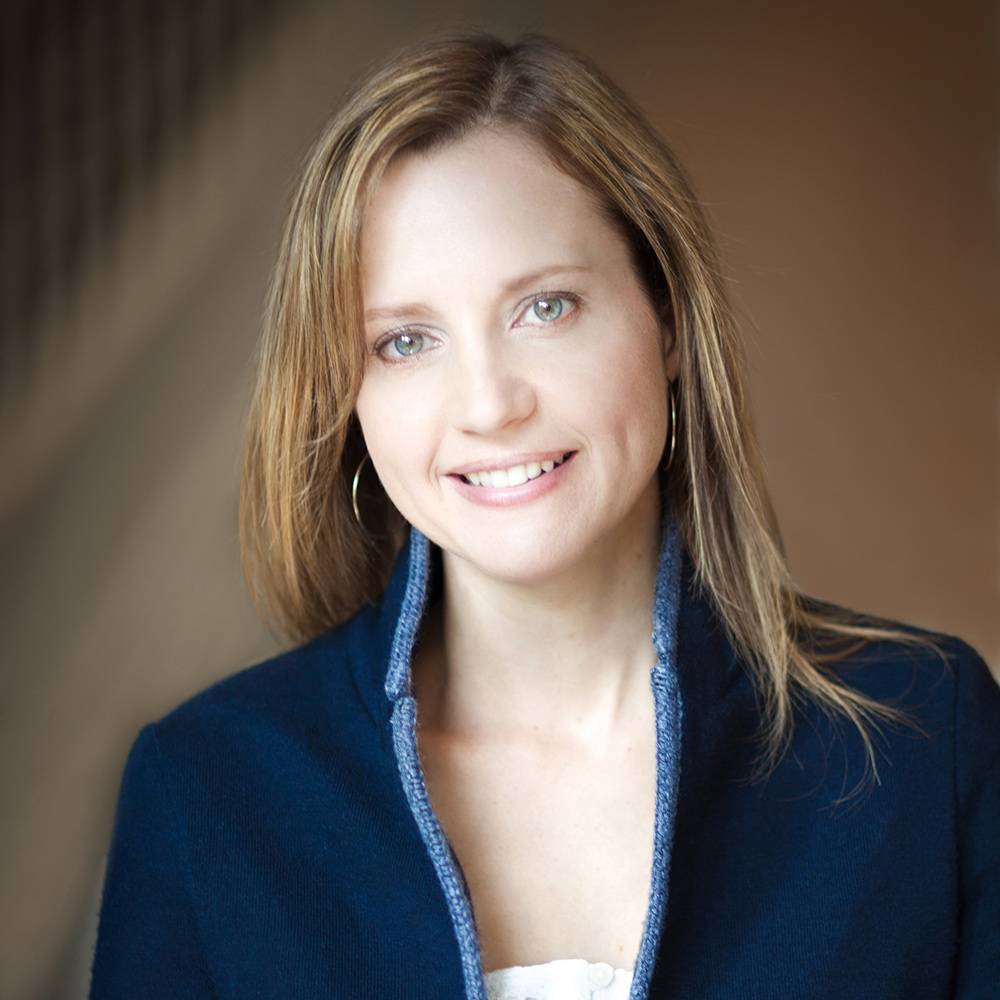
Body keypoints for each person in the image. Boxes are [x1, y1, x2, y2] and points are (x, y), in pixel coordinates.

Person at [88, 30, 999, 1000]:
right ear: (345, 396)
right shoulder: (207, 788)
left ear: (669, 320)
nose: (488, 404)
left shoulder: (923, 738)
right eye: (404, 340)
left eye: (545, 309)